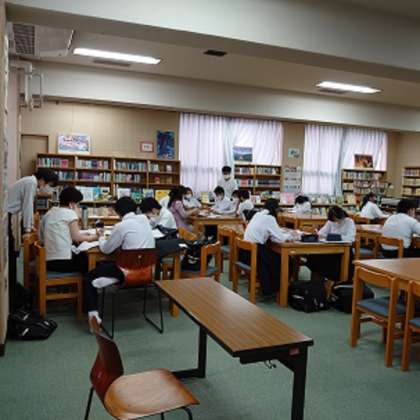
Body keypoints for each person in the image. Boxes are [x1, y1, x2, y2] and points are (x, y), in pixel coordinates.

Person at [84, 197, 155, 324]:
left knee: (89, 276)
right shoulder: (146, 221)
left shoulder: (121, 226)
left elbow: (106, 249)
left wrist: (101, 237)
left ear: (118, 212)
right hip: (147, 271)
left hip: (126, 272)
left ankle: (93, 315)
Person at [7, 168, 59, 290]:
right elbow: (27, 207)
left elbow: (27, 207)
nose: (48, 188)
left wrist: (30, 227)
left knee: (11, 250)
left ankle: (13, 286)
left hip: (6, 213)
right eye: (49, 184)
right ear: (42, 180)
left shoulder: (29, 181)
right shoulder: (31, 182)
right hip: (5, 213)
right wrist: (27, 230)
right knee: (10, 251)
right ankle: (12, 288)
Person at [244, 199, 297, 295]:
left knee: (274, 256)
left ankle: (272, 286)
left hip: (246, 252)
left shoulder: (258, 214)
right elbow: (280, 238)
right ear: (275, 209)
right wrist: (292, 235)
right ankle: (281, 288)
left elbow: (271, 235)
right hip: (256, 253)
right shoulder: (270, 218)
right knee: (286, 260)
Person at [40, 186, 98, 273]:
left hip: (47, 260)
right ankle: (85, 281)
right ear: (72, 204)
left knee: (82, 256)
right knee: (90, 262)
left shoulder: (50, 212)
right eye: (77, 204)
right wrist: (94, 237)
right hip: (62, 262)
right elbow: (76, 238)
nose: (78, 207)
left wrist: (82, 236)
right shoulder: (70, 213)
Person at [306, 205, 356, 283]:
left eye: (337, 219)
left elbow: (350, 238)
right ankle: (317, 282)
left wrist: (333, 237)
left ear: (341, 215)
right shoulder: (331, 222)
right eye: (334, 220)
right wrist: (322, 235)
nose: (336, 222)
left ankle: (333, 280)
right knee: (314, 256)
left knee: (329, 261)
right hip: (330, 248)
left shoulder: (349, 222)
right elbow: (321, 233)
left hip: (343, 250)